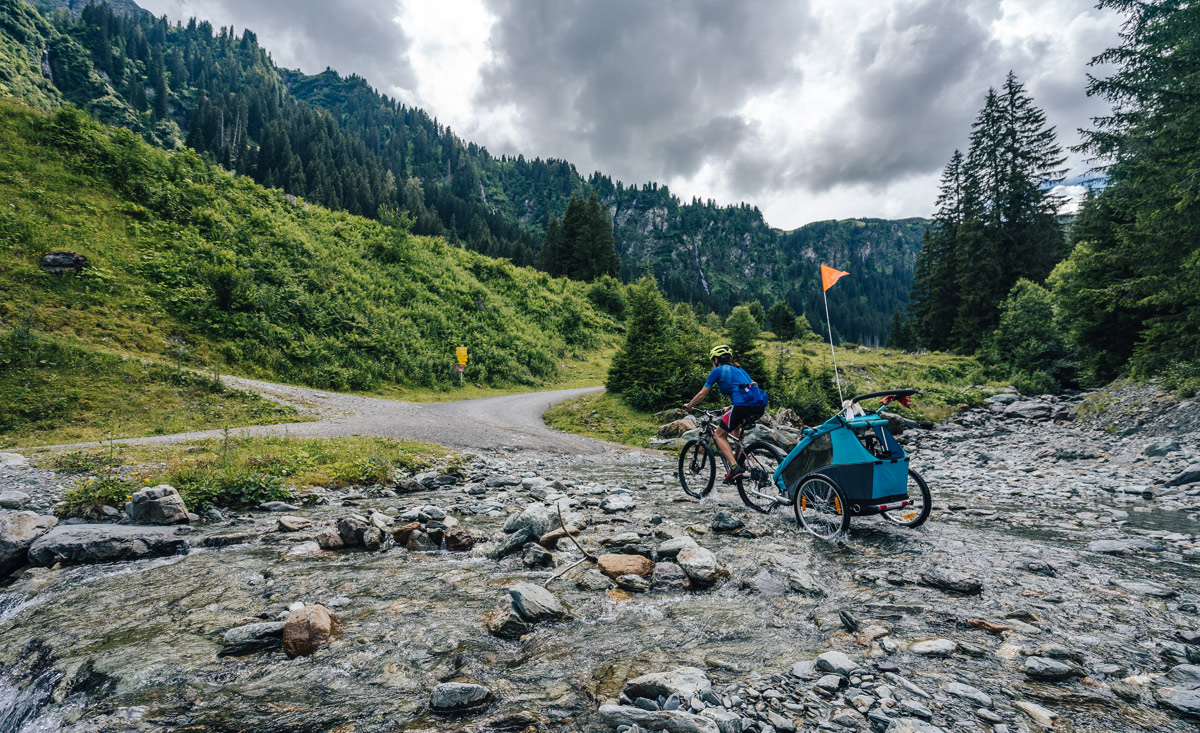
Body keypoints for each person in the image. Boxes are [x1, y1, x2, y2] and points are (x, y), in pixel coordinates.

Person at [683, 344, 768, 483]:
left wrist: (690, 405)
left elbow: (702, 394)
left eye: (713, 360)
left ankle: (734, 468)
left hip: (742, 406)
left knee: (719, 434)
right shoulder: (740, 370)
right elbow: (747, 391)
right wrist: (730, 407)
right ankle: (741, 462)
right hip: (758, 407)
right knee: (735, 428)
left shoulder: (718, 371)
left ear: (716, 360)